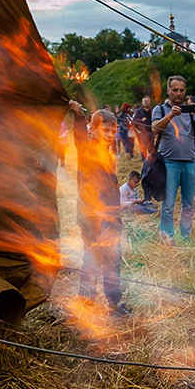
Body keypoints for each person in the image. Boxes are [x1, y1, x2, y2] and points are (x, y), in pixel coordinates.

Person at [75, 109, 128, 315]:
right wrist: (78, 117)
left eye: (113, 131)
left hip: (110, 215)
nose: (109, 134)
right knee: (93, 257)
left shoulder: (108, 152)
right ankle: (87, 301)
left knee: (112, 258)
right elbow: (78, 138)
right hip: (92, 216)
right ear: (93, 129)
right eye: (105, 129)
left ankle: (113, 302)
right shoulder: (88, 149)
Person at [153, 75, 195, 241]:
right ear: (168, 90)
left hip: (190, 162)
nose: (178, 93)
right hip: (168, 162)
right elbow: (155, 128)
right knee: (168, 203)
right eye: (175, 90)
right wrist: (170, 115)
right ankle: (167, 235)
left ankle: (186, 235)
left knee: (188, 204)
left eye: (181, 90)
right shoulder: (161, 109)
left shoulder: (190, 111)